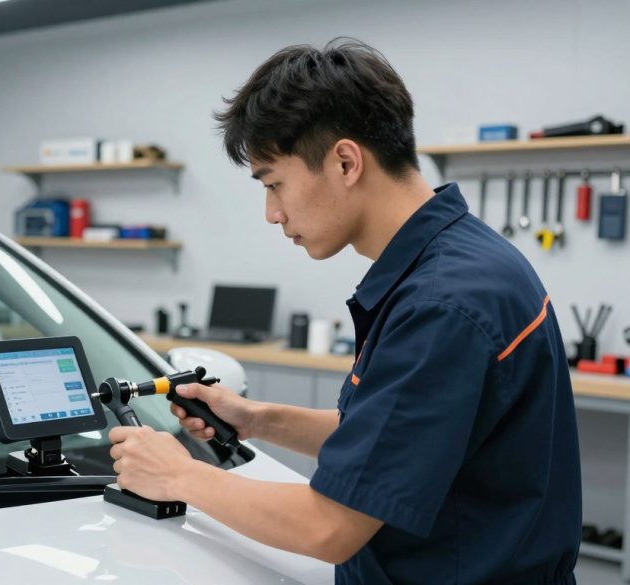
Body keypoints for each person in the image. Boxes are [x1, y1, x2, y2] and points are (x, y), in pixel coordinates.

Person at [108, 38, 581, 584]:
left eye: (273, 183)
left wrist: (178, 476)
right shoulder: (464, 261)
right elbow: (392, 443)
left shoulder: (440, 305)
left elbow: (328, 527)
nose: (272, 212)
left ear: (345, 161)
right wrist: (257, 419)